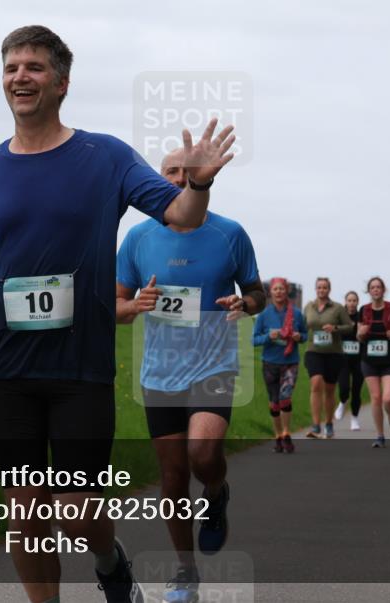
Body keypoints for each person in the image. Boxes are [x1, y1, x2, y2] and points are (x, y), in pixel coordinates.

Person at [0, 25, 236, 603]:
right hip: (5, 366)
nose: (20, 77)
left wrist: (201, 185)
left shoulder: (104, 156)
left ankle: (110, 563)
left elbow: (180, 214)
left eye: (33, 67)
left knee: (76, 511)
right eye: (11, 68)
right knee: (26, 514)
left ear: (61, 83)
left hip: (79, 369)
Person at [115, 148, 264, 603]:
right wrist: (134, 306)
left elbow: (256, 292)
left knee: (203, 453)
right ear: (157, 179)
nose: (180, 178)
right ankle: (185, 570)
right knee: (174, 477)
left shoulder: (229, 234)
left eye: (187, 171)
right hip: (160, 375)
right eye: (170, 171)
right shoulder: (138, 237)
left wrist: (245, 304)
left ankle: (216, 492)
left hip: (214, 365)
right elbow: (115, 307)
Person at [253, 277, 307, 453]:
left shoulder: (297, 314)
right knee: (274, 402)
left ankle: (286, 433)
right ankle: (277, 435)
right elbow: (254, 340)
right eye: (275, 289)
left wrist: (299, 337)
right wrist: (269, 336)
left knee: (285, 398)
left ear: (287, 291)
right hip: (270, 363)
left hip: (290, 363)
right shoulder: (264, 315)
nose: (278, 292)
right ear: (270, 292)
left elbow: (305, 335)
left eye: (281, 289)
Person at [357, 277, 390, 448]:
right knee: (376, 397)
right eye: (373, 287)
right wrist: (361, 333)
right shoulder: (363, 310)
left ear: (383, 290)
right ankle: (379, 435)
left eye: (379, 287)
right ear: (369, 291)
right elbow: (358, 335)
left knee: (388, 397)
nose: (376, 290)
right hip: (369, 360)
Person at [302, 278, 355, 439]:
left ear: (329, 290)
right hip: (313, 351)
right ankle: (316, 425)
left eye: (325, 287)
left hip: (333, 353)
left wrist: (335, 328)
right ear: (315, 289)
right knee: (316, 383)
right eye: (319, 287)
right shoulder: (308, 307)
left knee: (330, 390)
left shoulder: (338, 308)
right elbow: (303, 326)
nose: (322, 290)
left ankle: (329, 423)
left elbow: (350, 327)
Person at [335, 291, 365, 431]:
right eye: (349, 300)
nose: (352, 303)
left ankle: (354, 419)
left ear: (357, 302)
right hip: (343, 358)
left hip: (359, 359)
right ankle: (342, 402)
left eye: (354, 300)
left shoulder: (362, 317)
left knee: (357, 390)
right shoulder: (340, 316)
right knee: (344, 387)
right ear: (345, 302)